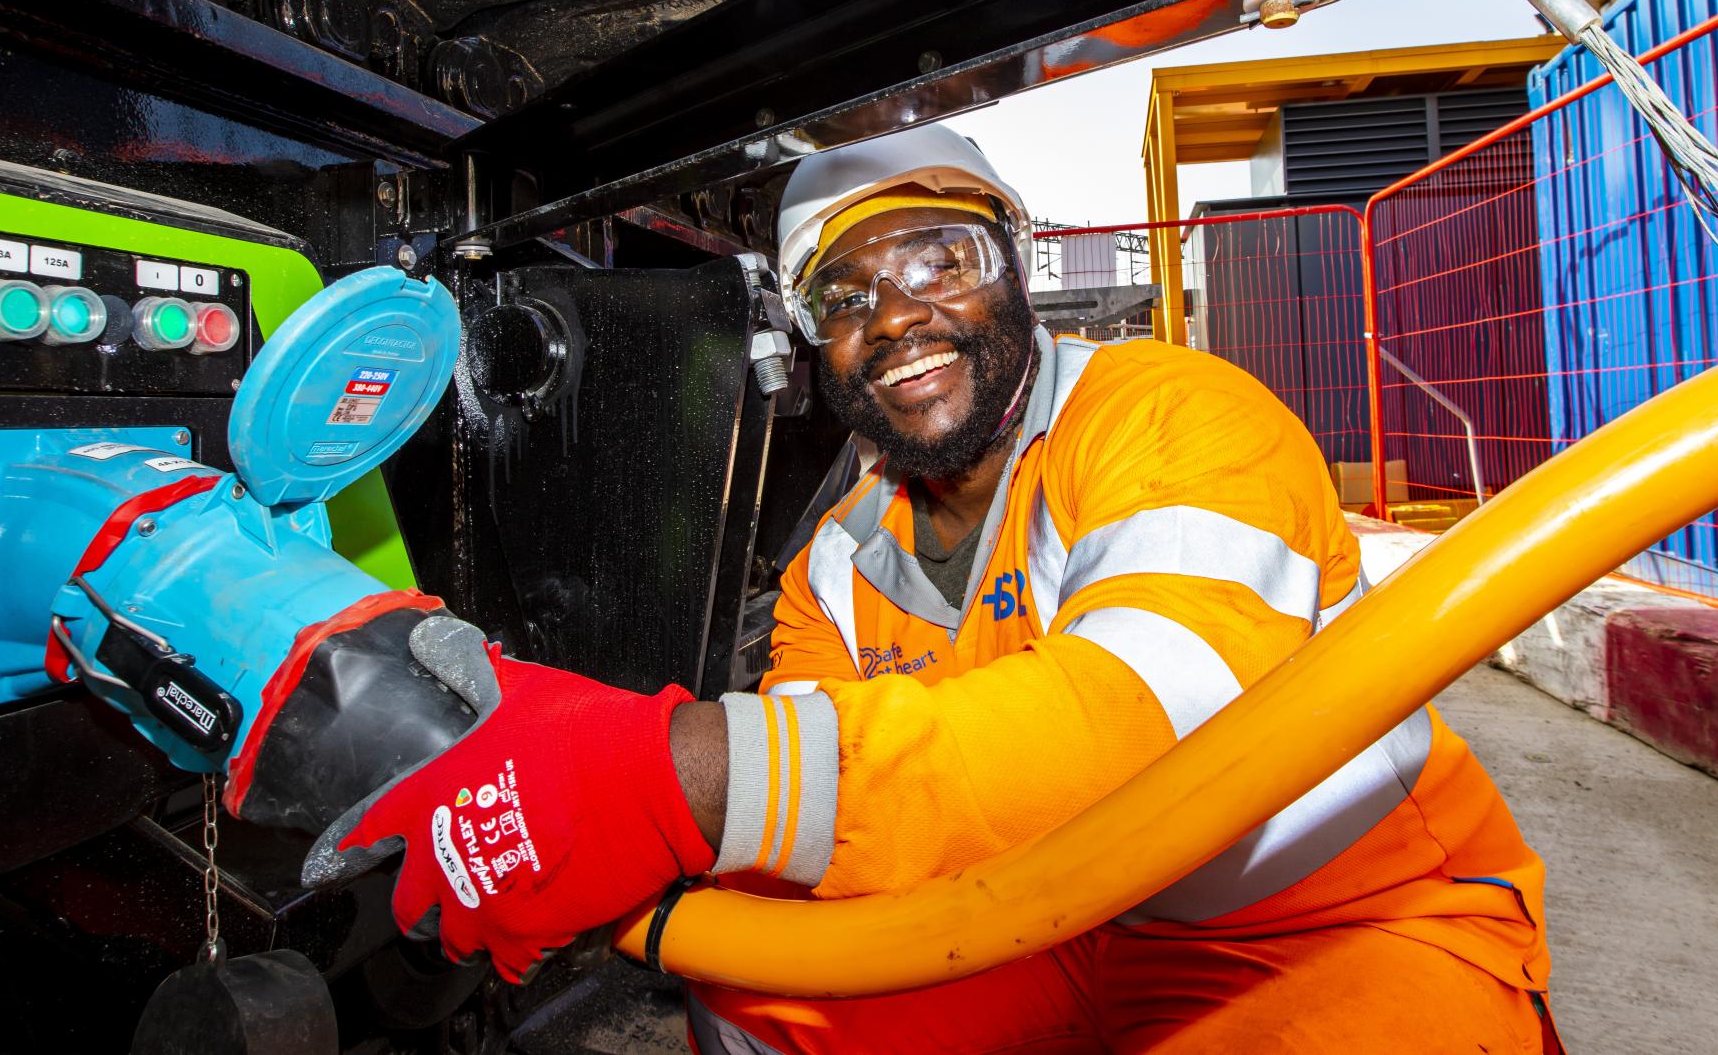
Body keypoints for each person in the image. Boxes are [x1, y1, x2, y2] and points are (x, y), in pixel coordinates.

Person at [294, 126, 1559, 1054]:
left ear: (1012, 268)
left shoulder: (1173, 417)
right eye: (842, 295)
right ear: (806, 342)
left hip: (1331, 925)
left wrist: (660, 776)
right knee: (760, 986)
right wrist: (571, 789)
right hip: (1045, 930)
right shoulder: (835, 560)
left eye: (937, 261)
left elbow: (1155, 727)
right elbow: (825, 843)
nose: (895, 318)